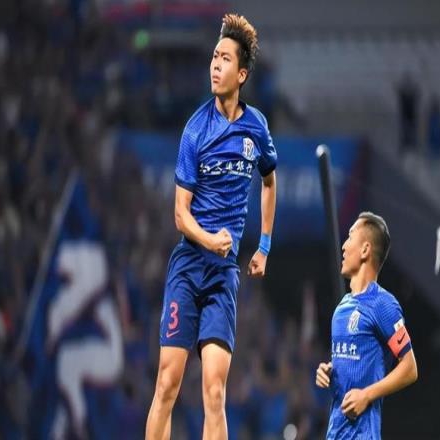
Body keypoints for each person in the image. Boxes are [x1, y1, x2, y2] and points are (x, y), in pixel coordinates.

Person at [145, 14, 277, 440]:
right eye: (214, 57)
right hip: (188, 267)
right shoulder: (194, 130)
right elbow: (179, 215)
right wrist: (208, 239)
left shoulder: (256, 127)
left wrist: (264, 245)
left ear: (242, 74)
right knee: (167, 383)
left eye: (225, 59)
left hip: (223, 276)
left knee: (215, 392)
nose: (215, 65)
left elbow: (269, 181)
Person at [316, 212, 417, 439]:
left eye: (350, 236)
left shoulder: (383, 304)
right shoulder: (342, 308)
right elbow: (353, 360)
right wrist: (330, 371)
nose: (343, 246)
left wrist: (367, 395)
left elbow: (410, 368)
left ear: (365, 250)